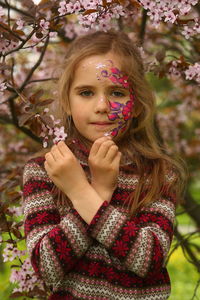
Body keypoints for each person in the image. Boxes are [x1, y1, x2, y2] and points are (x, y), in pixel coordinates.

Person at [23, 30, 187, 300]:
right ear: (66, 101)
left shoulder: (157, 173)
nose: (102, 105)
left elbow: (150, 260)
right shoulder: (47, 170)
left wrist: (84, 194)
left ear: (135, 105)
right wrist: (93, 190)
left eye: (118, 92)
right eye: (86, 92)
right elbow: (47, 268)